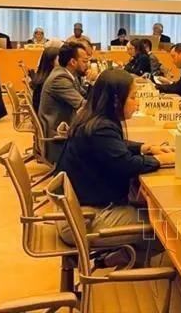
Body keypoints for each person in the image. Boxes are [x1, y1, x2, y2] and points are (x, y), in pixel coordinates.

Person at [55, 69, 174, 264]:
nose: (137, 102)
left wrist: (147, 147)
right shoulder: (102, 127)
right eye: (133, 97)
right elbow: (126, 164)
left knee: (151, 209)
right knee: (168, 227)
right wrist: (162, 160)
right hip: (83, 219)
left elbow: (115, 146)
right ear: (116, 100)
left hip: (78, 209)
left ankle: (118, 256)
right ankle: (112, 260)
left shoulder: (94, 118)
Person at [38, 42, 89, 163]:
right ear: (73, 62)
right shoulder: (60, 78)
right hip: (58, 137)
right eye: (85, 61)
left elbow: (85, 94)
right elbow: (83, 104)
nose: (87, 65)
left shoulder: (67, 74)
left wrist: (91, 83)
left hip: (64, 128)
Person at [31, 46, 60, 113]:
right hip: (48, 118)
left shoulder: (41, 78)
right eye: (59, 59)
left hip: (44, 115)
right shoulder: (49, 81)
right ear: (51, 62)